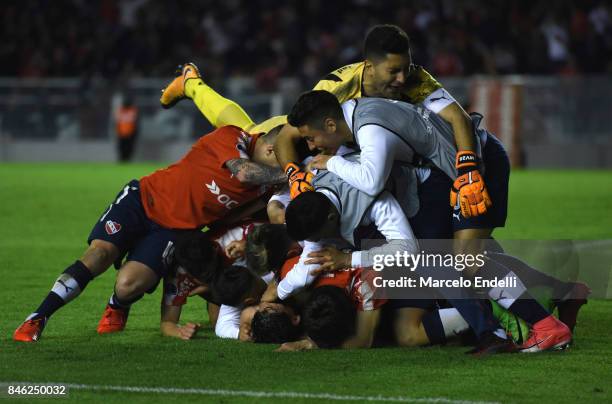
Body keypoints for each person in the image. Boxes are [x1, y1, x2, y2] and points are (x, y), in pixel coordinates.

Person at [286, 91, 572, 353]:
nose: (312, 148)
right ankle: (532, 309)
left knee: (463, 260)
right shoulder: (354, 117)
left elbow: (371, 183)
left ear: (330, 125)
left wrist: (331, 164)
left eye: (311, 139)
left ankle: (537, 323)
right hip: (446, 174)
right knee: (450, 261)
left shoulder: (369, 129)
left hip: (468, 167)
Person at [13, 123, 286, 342]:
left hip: (173, 230)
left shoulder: (267, 184)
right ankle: (38, 317)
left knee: (128, 283)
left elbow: (236, 213)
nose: (279, 169)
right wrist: (293, 173)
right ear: (272, 150)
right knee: (99, 254)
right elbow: (244, 174)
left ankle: (118, 304)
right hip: (142, 200)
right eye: (281, 162)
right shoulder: (231, 136)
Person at [115, 96, 139, 162]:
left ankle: (127, 160)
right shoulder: (120, 110)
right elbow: (117, 122)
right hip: (121, 133)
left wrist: (135, 133)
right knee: (122, 148)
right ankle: (122, 159)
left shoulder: (133, 110)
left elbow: (136, 123)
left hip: (130, 133)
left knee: (129, 148)